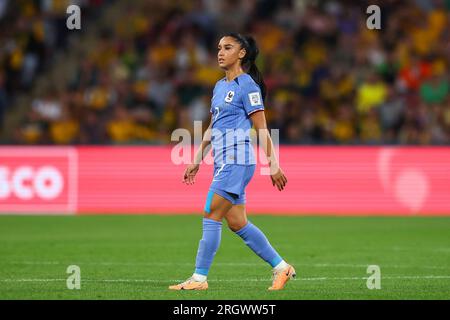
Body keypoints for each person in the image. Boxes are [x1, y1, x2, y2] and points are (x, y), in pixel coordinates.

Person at [169, 33, 295, 291]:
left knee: (211, 213)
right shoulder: (219, 87)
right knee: (237, 222)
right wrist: (196, 159)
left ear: (242, 54)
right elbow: (214, 127)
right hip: (222, 160)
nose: (220, 52)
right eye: (218, 48)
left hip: (237, 160)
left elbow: (261, 128)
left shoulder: (247, 85)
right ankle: (282, 268)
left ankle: (199, 279)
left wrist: (272, 164)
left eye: (227, 48)